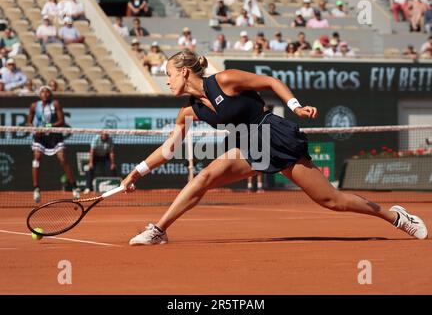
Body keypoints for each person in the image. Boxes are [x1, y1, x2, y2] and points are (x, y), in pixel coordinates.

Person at [121, 49, 428, 245]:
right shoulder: (188, 111)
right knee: (202, 178)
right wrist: (137, 171)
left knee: (332, 200)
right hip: (248, 146)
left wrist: (294, 105)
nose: (166, 81)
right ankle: (158, 230)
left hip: (275, 135)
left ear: (184, 72)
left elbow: (268, 81)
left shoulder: (225, 80)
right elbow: (169, 149)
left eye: (168, 75)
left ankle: (396, 217)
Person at [27, 86, 80, 203]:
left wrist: (49, 127)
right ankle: (36, 189)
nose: (45, 94)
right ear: (39, 94)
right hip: (40, 137)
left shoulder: (55, 104)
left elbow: (62, 121)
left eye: (47, 92)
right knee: (36, 159)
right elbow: (29, 121)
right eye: (42, 92)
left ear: (50, 94)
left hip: (55, 136)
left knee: (62, 159)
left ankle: (75, 187)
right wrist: (34, 129)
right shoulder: (34, 106)